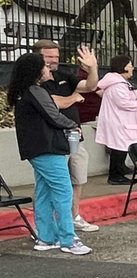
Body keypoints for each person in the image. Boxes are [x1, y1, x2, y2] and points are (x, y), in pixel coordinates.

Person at [8, 51, 91, 254]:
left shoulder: (24, 92)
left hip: (36, 149)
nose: (48, 69)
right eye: (44, 66)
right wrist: (73, 125)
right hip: (47, 148)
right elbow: (53, 115)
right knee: (63, 191)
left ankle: (46, 238)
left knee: (44, 192)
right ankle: (68, 240)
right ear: (36, 71)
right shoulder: (36, 91)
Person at [33, 39, 100, 232]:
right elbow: (53, 103)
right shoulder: (35, 82)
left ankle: (74, 216)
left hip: (74, 137)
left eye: (56, 56)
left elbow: (89, 87)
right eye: (49, 57)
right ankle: (45, 224)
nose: (53, 61)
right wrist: (73, 98)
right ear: (38, 56)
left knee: (77, 178)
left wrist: (92, 68)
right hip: (52, 139)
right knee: (50, 184)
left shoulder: (64, 75)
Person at [95, 55, 137, 185]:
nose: (132, 68)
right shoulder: (117, 84)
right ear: (123, 67)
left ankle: (120, 168)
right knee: (119, 147)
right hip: (118, 121)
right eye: (130, 65)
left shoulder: (118, 82)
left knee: (122, 146)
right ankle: (115, 175)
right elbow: (123, 103)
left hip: (120, 120)